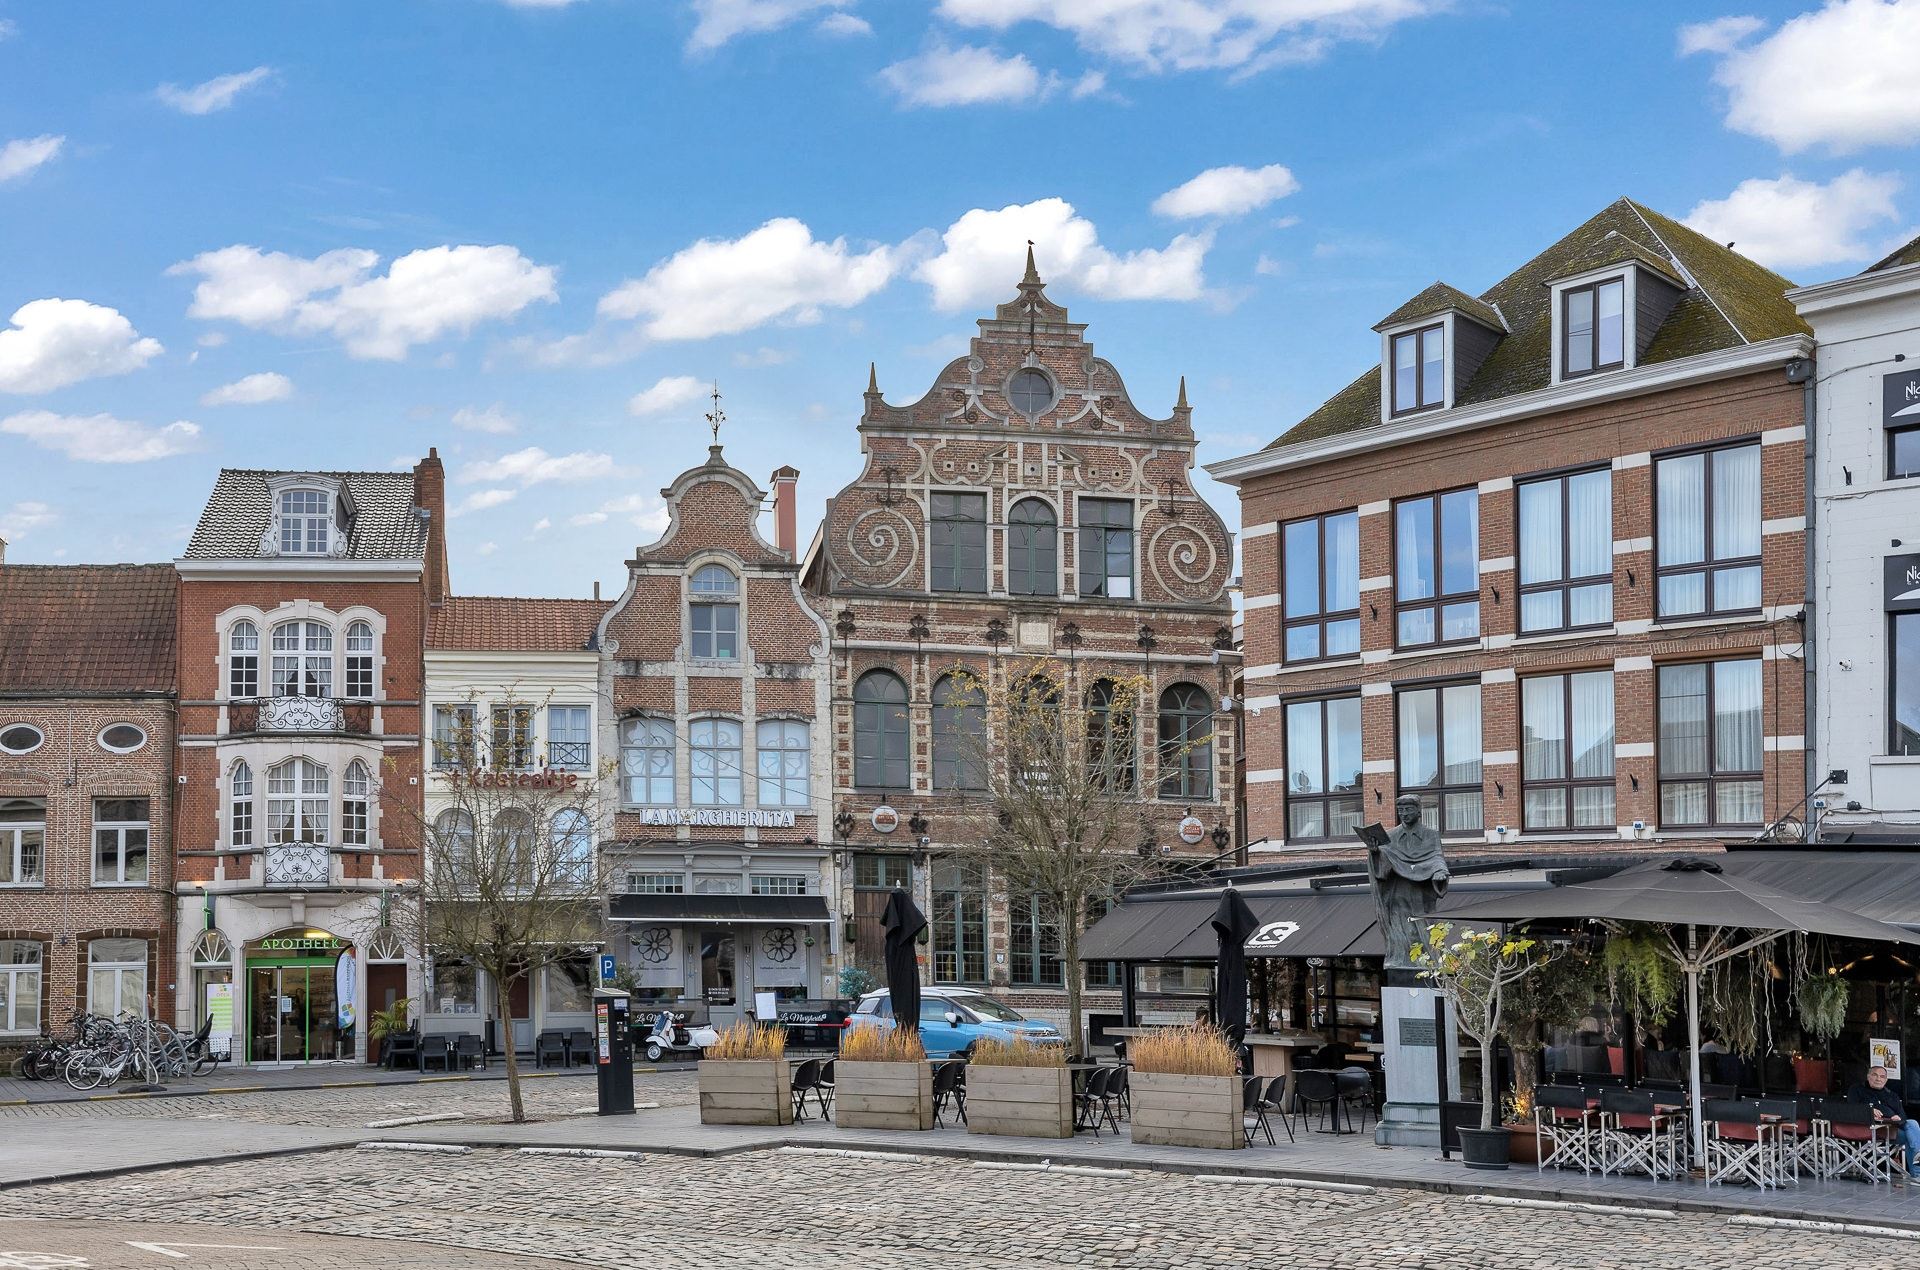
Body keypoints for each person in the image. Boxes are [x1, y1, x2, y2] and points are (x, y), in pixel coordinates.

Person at [1846, 1064, 1920, 1179]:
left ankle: (1917, 1167)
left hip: (1892, 1130)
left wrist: (1898, 1118)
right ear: (1868, 1076)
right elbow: (1851, 1108)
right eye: (1874, 1075)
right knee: (1913, 1137)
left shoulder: (1892, 1095)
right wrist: (1869, 1110)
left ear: (1886, 1080)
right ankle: (1917, 1174)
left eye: (1882, 1076)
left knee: (1912, 1125)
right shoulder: (1856, 1090)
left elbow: (1902, 1117)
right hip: (1870, 1129)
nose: (1878, 1079)